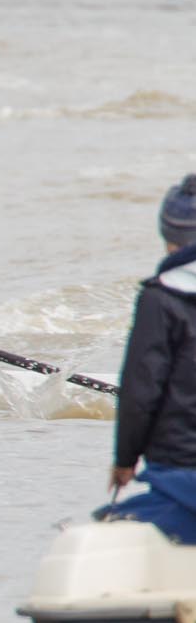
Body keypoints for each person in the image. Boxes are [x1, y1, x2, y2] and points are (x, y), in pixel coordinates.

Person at [97, 176, 196, 542]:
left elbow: (140, 392)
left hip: (180, 466)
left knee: (110, 525)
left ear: (170, 239)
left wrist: (125, 460)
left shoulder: (160, 299)